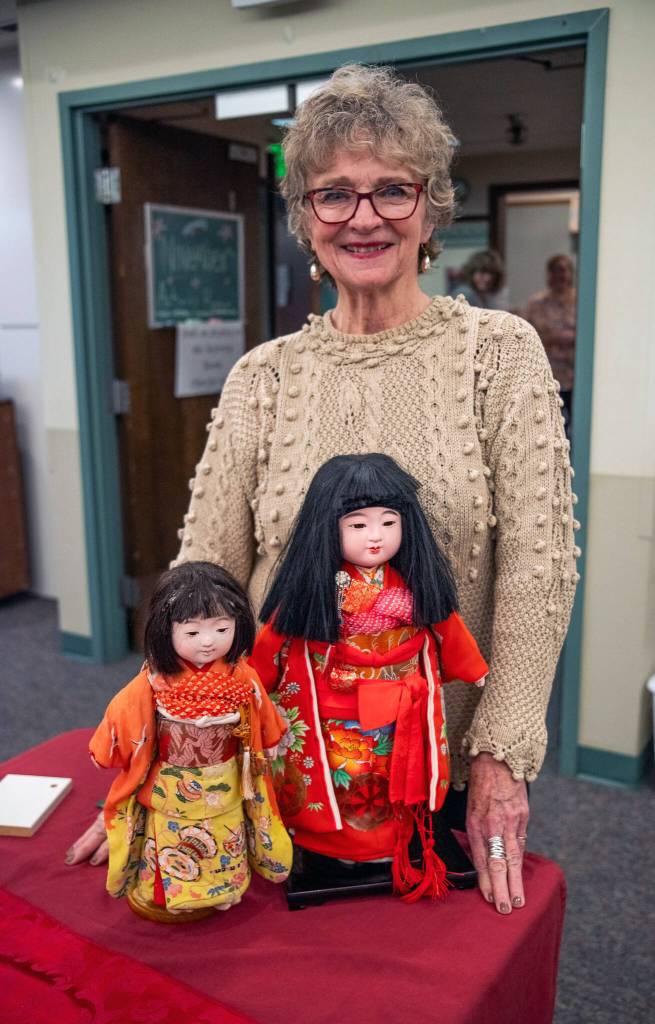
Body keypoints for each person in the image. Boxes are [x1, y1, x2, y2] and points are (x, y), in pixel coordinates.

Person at [68, 63, 579, 916]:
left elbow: (539, 569)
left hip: (432, 770)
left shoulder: (497, 352)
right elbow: (203, 575)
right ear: (305, 219)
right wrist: (159, 749)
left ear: (430, 210)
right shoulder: (263, 377)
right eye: (333, 194)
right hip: (272, 763)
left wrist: (500, 754)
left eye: (392, 190)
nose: (363, 217)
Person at [251, 453, 488, 902]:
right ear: (329, 528)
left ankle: (392, 847)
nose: (375, 535)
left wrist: (472, 667)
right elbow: (273, 640)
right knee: (349, 780)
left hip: (399, 711)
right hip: (336, 711)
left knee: (395, 776)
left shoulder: (413, 585)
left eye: (388, 522)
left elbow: (447, 626)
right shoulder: (316, 589)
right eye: (358, 524)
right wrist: (254, 683)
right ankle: (339, 852)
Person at [87, 561, 292, 921]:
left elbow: (262, 711)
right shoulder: (153, 680)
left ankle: (223, 890)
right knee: (169, 835)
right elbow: (123, 711)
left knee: (225, 833)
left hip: (226, 775)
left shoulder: (242, 676)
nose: (208, 641)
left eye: (222, 628)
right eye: (193, 632)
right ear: (165, 630)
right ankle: (165, 894)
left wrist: (270, 736)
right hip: (172, 779)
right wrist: (107, 749)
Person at [524, 254, 577, 429]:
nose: (561, 275)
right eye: (556, 270)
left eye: (565, 270)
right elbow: (526, 335)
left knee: (575, 425)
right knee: (549, 425)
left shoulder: (580, 301)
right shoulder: (536, 303)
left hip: (575, 377)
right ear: (549, 274)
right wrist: (553, 337)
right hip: (546, 375)